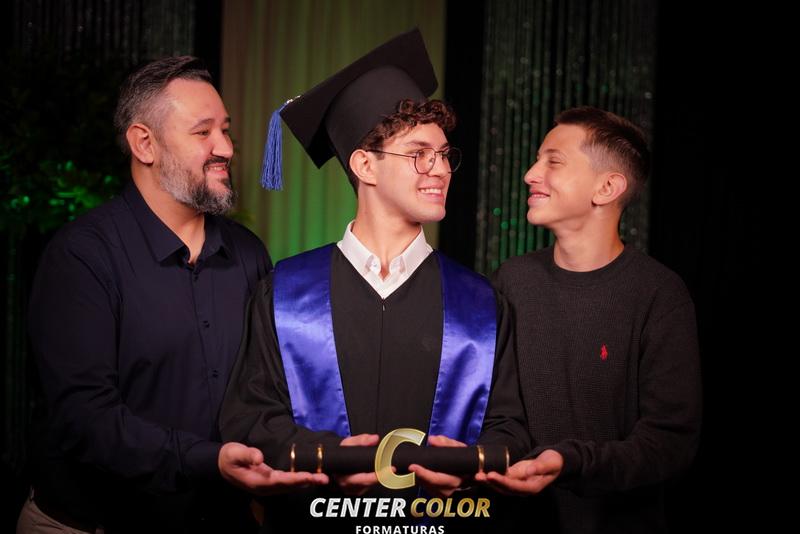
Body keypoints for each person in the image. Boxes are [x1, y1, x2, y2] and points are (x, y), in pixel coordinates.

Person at [219, 30, 529, 532]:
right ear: (365, 164)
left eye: (444, 154)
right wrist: (329, 457)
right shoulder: (287, 293)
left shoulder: (480, 303)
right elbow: (251, 419)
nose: (440, 170)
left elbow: (509, 429)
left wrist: (468, 469)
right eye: (419, 154)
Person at [18, 56, 326, 534]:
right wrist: (208, 460)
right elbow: (85, 419)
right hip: (92, 524)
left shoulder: (248, 255)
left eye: (226, 130)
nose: (226, 147)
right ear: (144, 143)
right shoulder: (83, 257)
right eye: (203, 132)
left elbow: (267, 388)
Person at [481, 107, 703, 532]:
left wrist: (570, 462)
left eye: (553, 161)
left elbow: (670, 443)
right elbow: (489, 408)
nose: (530, 174)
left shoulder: (659, 294)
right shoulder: (512, 280)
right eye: (536, 160)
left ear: (607, 187)